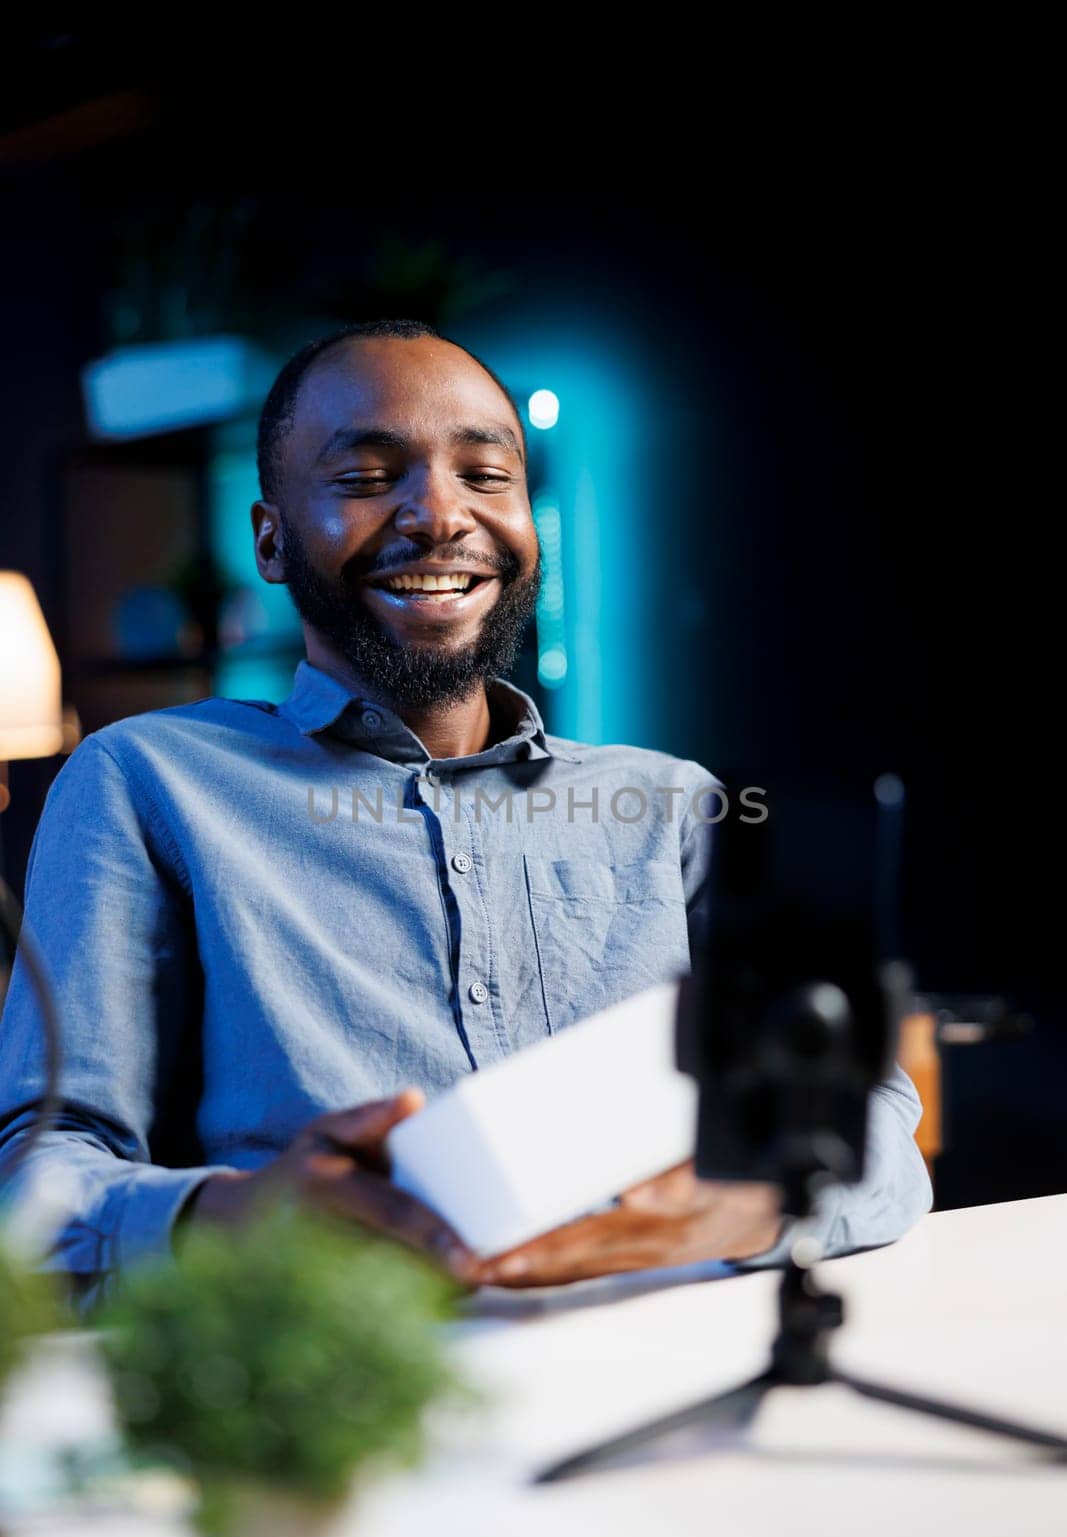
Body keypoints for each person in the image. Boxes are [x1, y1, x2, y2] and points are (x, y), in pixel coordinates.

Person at [0, 320, 932, 1302]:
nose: (438, 515)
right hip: (343, 1397)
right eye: (365, 477)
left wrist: (744, 1203)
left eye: (486, 476)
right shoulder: (147, 780)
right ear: (269, 539)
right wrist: (236, 1211)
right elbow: (33, 1184)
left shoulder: (671, 804)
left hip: (665, 1360)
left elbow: (870, 1118)